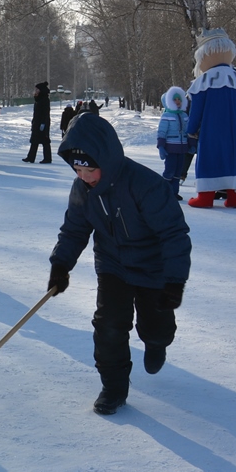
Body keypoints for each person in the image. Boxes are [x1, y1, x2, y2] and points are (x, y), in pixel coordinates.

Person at [48, 112, 191, 415]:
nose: (84, 178)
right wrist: (61, 265)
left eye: (89, 170)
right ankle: (113, 388)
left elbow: (174, 234)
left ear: (106, 159)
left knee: (156, 327)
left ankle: (156, 342)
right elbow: (74, 229)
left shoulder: (146, 185)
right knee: (109, 326)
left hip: (153, 268)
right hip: (113, 266)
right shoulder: (82, 190)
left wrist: (175, 281)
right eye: (77, 170)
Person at [185, 28, 236, 208]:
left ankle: (205, 197)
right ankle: (235, 198)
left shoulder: (204, 81)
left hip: (211, 131)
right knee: (234, 159)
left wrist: (191, 130)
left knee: (210, 158)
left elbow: (196, 111)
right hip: (235, 132)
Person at [156, 86, 191, 200]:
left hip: (182, 149)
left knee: (178, 172)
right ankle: (164, 192)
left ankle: (174, 192)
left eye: (179, 99)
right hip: (170, 148)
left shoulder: (184, 116)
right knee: (169, 171)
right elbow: (162, 132)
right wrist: (161, 146)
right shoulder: (167, 116)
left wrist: (191, 144)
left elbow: (188, 131)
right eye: (175, 99)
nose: (177, 102)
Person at [23, 81, 52, 163]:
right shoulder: (38, 99)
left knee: (45, 140)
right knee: (34, 140)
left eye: (37, 89)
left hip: (43, 122)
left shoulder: (45, 100)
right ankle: (30, 157)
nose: (35, 91)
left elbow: (45, 112)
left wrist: (43, 123)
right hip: (37, 122)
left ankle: (47, 158)